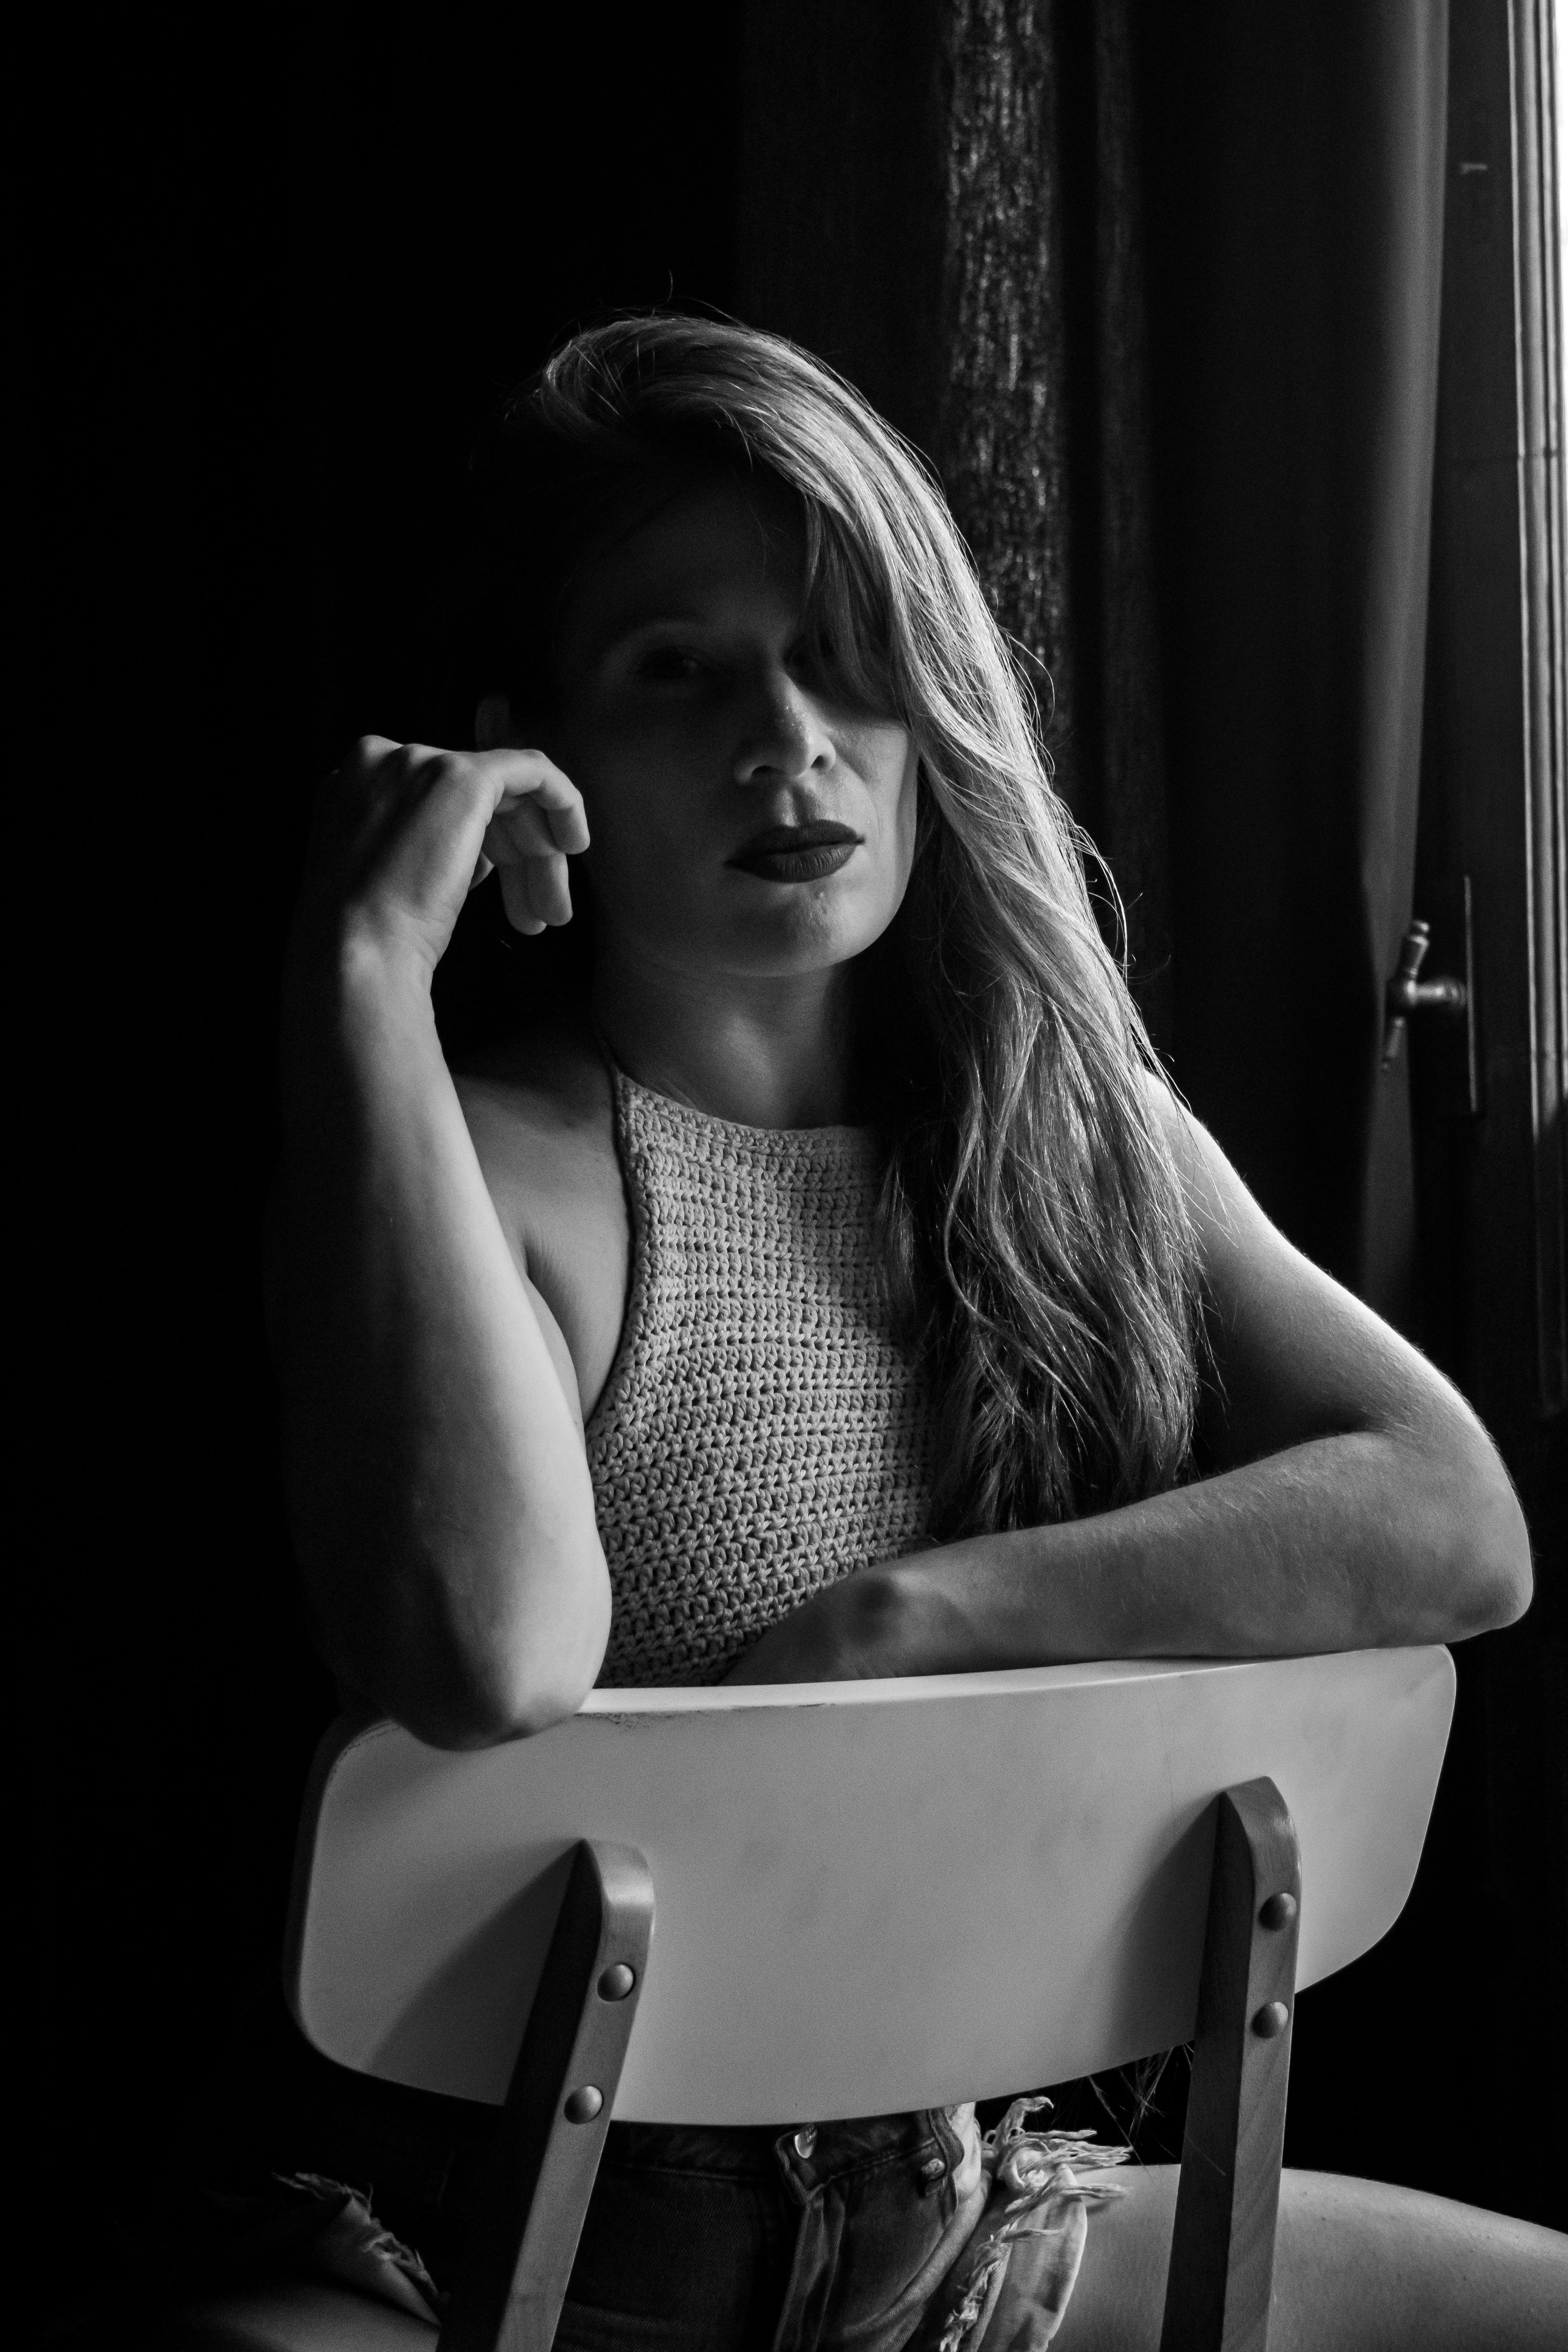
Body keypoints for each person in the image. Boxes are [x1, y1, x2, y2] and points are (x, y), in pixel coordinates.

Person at [175, 316, 1562, 2350]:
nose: (787, 738)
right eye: (677, 670)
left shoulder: (1071, 1138)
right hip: (459, 2268)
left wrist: (904, 1622)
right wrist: (369, 963)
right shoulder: (479, 1160)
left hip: (948, 2236)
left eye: (846, 659)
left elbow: (1454, 1520)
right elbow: (491, 1658)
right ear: (531, 756)